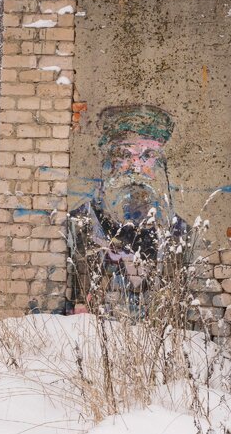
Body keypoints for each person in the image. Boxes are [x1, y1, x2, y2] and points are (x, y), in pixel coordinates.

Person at [64, 104, 190, 316]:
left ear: (162, 166)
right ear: (106, 163)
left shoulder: (178, 232)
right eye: (124, 154)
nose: (136, 166)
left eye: (148, 155)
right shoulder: (81, 223)